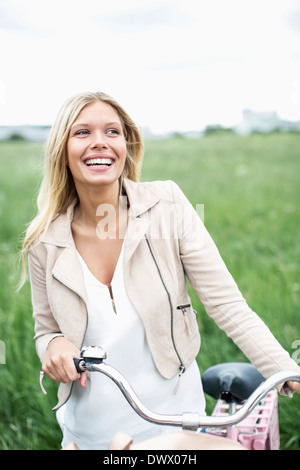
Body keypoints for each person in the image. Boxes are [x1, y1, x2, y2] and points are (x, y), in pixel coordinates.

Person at [21, 91, 300, 450]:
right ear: (62, 148)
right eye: (82, 133)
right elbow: (45, 331)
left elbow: (227, 305)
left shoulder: (166, 206)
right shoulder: (45, 240)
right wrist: (55, 344)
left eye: (112, 132)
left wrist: (285, 370)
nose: (99, 143)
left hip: (173, 425)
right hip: (86, 435)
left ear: (126, 145)